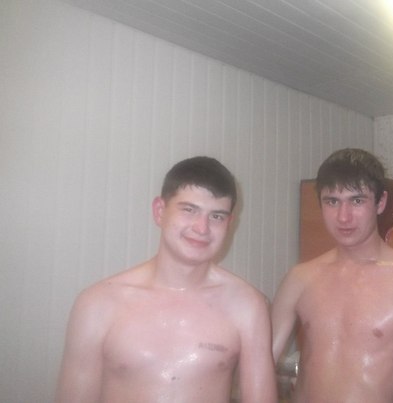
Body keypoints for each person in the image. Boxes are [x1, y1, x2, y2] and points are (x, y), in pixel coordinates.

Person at [55, 156, 277, 403]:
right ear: (160, 211)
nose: (202, 228)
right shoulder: (97, 304)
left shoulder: (247, 305)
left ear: (229, 223)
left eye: (217, 216)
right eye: (189, 210)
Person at [271, 148, 393, 403]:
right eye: (332, 201)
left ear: (380, 203)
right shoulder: (299, 279)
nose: (343, 216)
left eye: (357, 201)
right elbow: (260, 365)